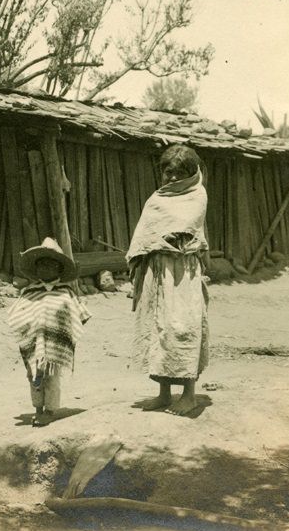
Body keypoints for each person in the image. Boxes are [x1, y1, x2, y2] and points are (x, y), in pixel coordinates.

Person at [127, 144, 210, 417]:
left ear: (191, 173)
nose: (173, 178)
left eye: (179, 173)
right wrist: (140, 260)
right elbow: (146, 232)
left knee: (182, 327)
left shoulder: (196, 195)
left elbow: (184, 228)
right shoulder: (156, 198)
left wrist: (167, 239)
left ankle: (189, 395)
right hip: (156, 269)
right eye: (168, 172)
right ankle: (163, 394)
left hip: (182, 270)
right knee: (157, 328)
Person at [6, 238, 90, 427]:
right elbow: (17, 316)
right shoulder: (29, 291)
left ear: (59, 269)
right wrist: (26, 334)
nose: (45, 268)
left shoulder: (65, 291)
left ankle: (50, 410)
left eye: (50, 264)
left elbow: (80, 315)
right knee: (34, 375)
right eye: (41, 264)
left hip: (54, 344)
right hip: (33, 342)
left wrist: (65, 333)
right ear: (36, 269)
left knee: (51, 376)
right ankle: (37, 408)